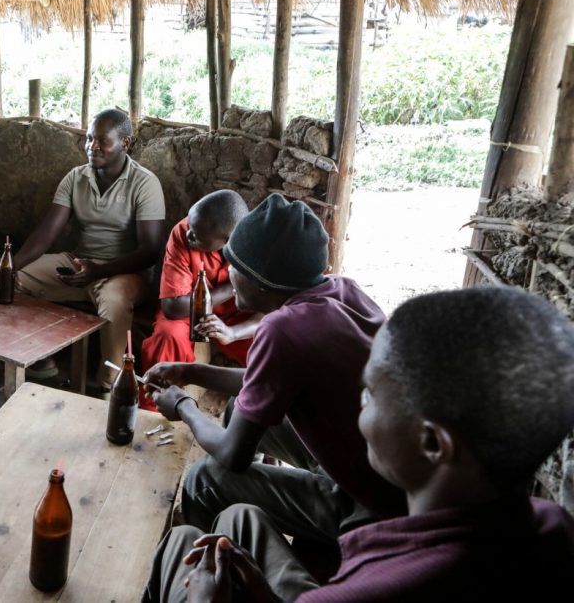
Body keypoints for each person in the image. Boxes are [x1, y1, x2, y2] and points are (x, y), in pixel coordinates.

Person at [146, 286, 574, 602]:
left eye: (368, 395)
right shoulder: (551, 525)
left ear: (431, 442)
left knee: (180, 545)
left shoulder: (369, 588)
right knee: (237, 521)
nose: (358, 408)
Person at [145, 194, 406, 576]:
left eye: (233, 265)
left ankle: (208, 576)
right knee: (239, 409)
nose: (226, 275)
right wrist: (190, 372)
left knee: (204, 479)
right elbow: (263, 382)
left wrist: (184, 405)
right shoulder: (341, 291)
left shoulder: (282, 330)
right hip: (382, 468)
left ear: (261, 280)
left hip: (367, 507)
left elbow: (233, 455)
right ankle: (242, 521)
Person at [0, 108, 165, 389]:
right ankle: (39, 360)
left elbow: (150, 251)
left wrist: (100, 271)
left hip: (125, 271)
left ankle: (111, 384)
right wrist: (7, 265)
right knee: (12, 280)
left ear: (125, 143)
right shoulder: (76, 177)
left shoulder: (144, 183)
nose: (92, 147)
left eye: (102, 141)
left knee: (114, 301)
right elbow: (47, 233)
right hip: (81, 265)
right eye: (89, 139)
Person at [140, 190, 261, 409]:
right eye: (190, 226)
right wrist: (234, 285)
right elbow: (173, 307)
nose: (189, 236)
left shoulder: (260, 246)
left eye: (197, 236)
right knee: (169, 335)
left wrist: (232, 333)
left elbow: (270, 316)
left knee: (266, 348)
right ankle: (153, 409)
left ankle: (257, 413)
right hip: (188, 312)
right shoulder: (185, 230)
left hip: (236, 317)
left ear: (227, 240)